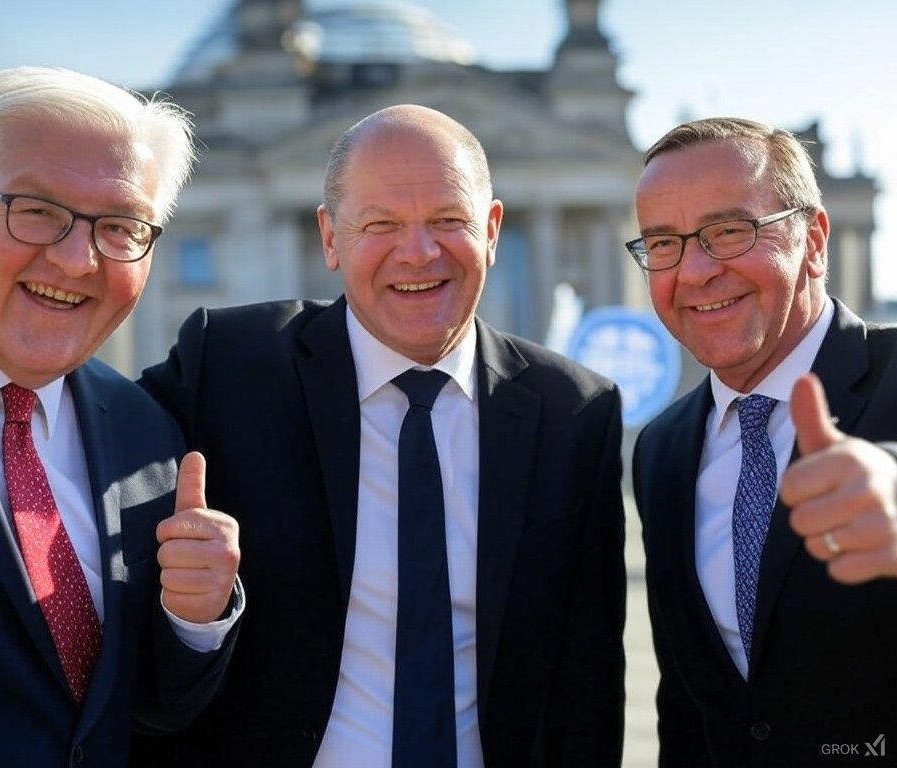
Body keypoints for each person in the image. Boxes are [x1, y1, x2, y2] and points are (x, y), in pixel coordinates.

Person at [130, 104, 626, 768]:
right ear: (330, 238)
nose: (418, 253)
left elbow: (588, 680)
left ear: (491, 230)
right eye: (380, 224)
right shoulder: (226, 366)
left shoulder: (576, 410)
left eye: (448, 220)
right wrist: (192, 617)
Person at [0, 67, 243, 766]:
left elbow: (137, 715)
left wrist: (193, 621)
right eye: (37, 210)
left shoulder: (144, 429)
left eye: (120, 227)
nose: (77, 261)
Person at [628, 117, 897, 767]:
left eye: (728, 232)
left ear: (814, 241)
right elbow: (687, 704)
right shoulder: (661, 449)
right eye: (663, 244)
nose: (694, 272)